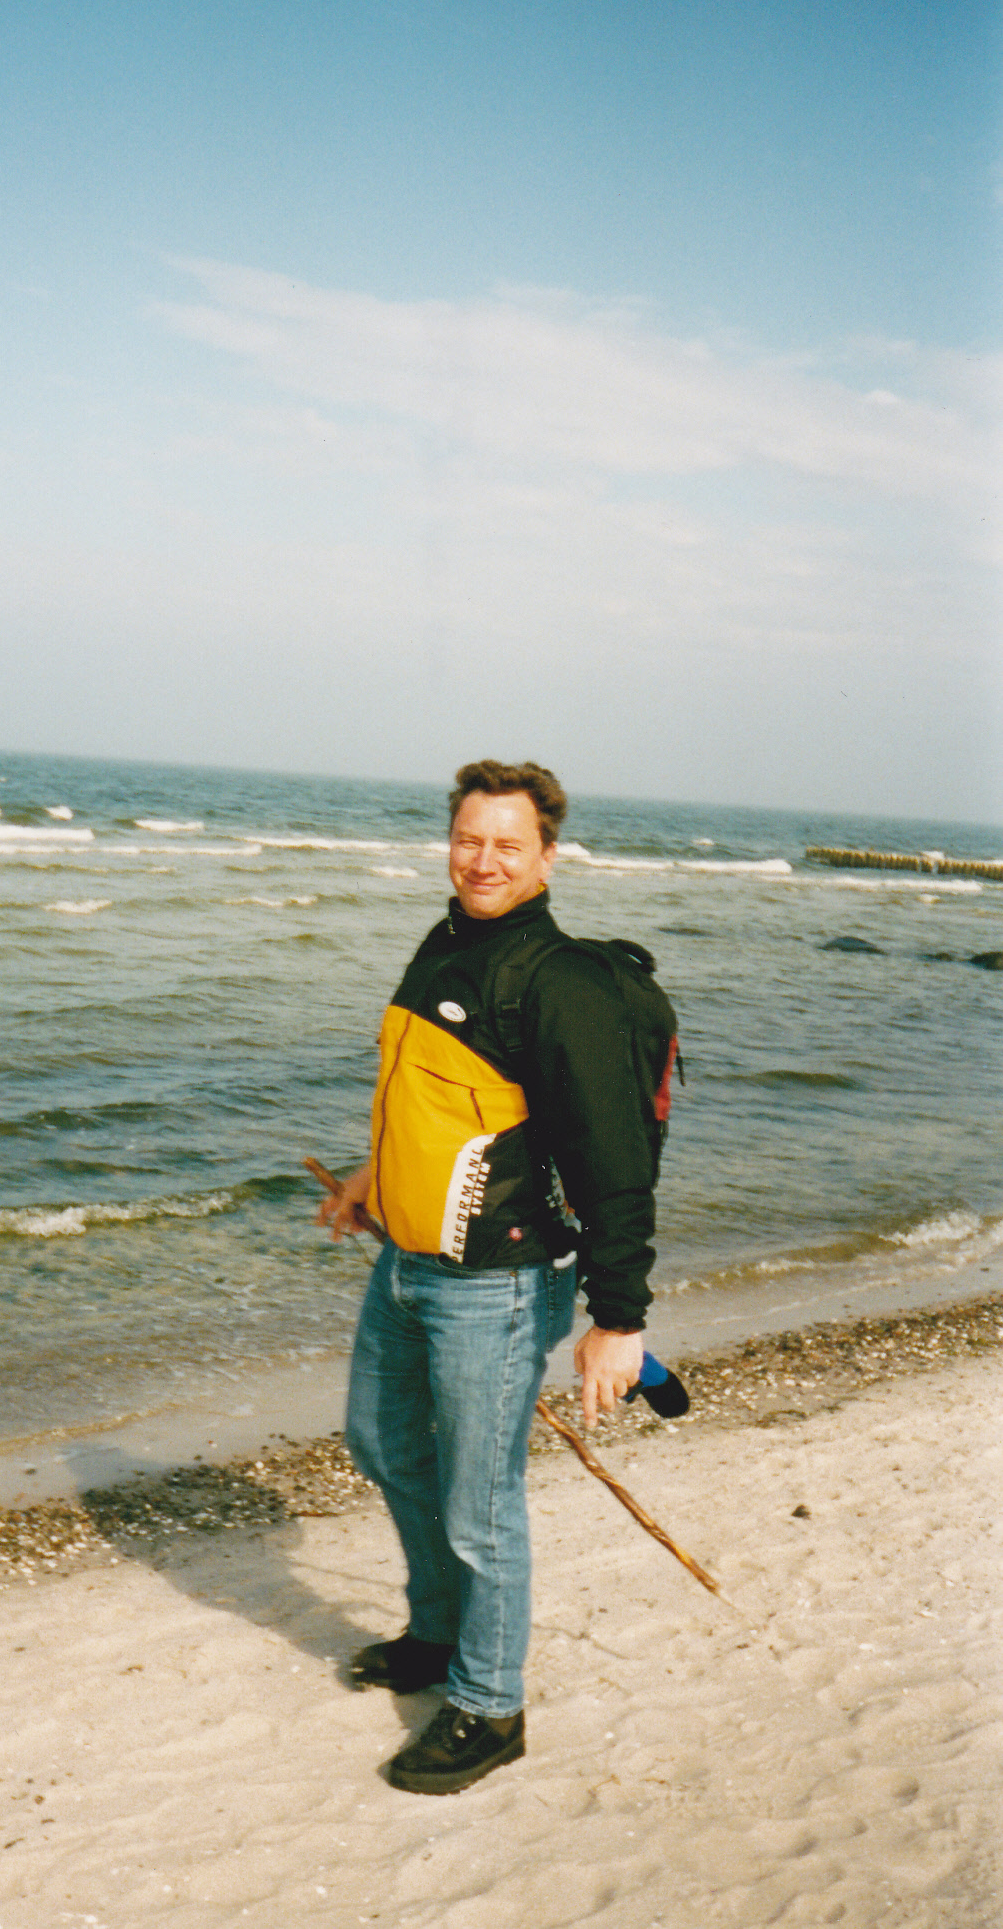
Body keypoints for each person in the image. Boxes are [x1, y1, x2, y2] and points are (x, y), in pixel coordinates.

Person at [318, 759, 660, 1795]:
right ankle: (437, 1635)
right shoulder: (444, 943)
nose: (483, 860)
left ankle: (489, 1704)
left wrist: (618, 1319)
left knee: (480, 1503)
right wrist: (373, 1179)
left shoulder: (557, 982)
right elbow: (440, 1099)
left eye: (508, 844)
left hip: (496, 1286)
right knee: (381, 1443)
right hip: (405, 1263)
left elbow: (611, 1160)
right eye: (469, 838)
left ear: (547, 856)